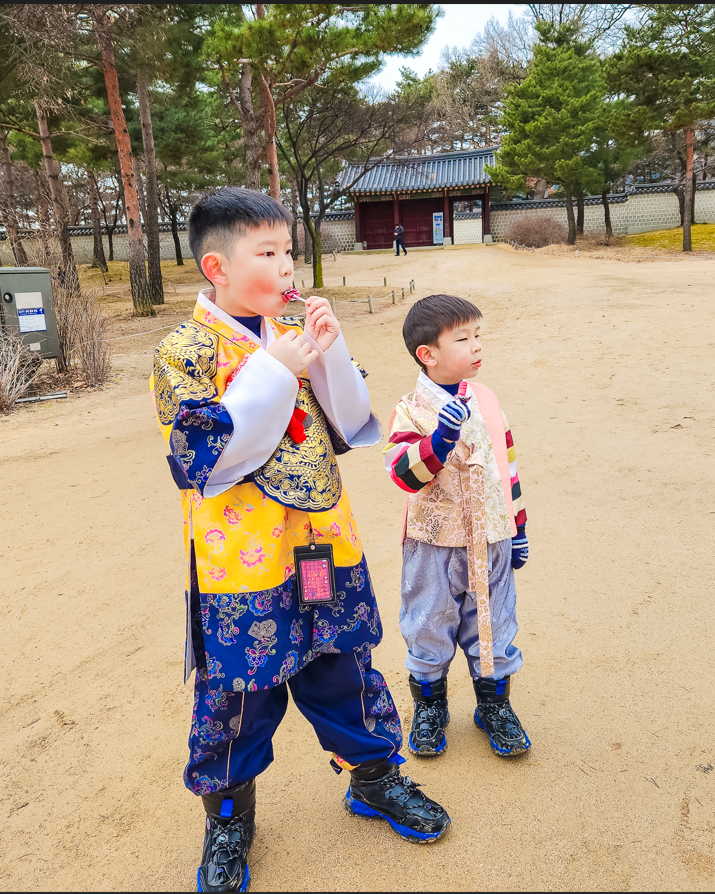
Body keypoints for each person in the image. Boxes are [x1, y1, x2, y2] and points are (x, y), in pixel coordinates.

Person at [151, 189, 450, 893]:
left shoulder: (285, 328)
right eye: (268, 253)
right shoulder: (183, 349)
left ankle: (372, 777)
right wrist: (276, 367)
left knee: (340, 659)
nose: (287, 265)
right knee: (238, 688)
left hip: (319, 544)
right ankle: (228, 817)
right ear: (216, 265)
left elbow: (349, 425)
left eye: (289, 250)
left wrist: (329, 351)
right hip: (239, 561)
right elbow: (206, 460)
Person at [383, 294, 531, 760]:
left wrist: (518, 527)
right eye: (463, 338)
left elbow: (505, 467)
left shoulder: (485, 398)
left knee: (494, 623)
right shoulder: (409, 409)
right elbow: (402, 474)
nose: (477, 345)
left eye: (478, 334)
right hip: (432, 545)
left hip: (491, 536)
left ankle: (494, 706)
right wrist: (439, 439)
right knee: (428, 622)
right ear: (427, 354)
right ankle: (431, 706)